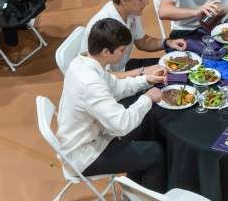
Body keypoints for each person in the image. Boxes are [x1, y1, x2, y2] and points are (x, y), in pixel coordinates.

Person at [56, 19, 169, 191]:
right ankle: (145, 195)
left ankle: (135, 188)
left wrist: (146, 80)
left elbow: (116, 87)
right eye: (121, 50)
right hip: (83, 155)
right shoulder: (90, 83)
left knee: (145, 126)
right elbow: (121, 125)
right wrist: (147, 98)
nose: (124, 54)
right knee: (155, 154)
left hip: (94, 135)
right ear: (106, 52)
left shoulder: (83, 62)